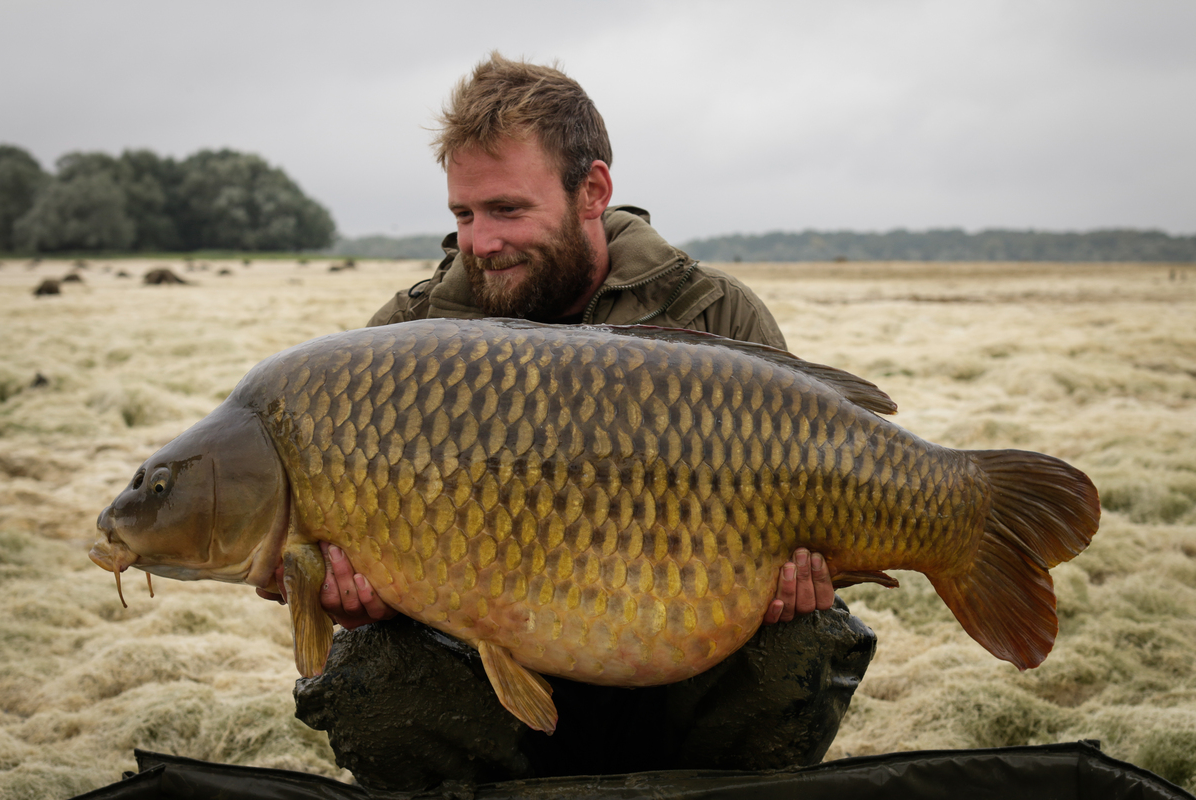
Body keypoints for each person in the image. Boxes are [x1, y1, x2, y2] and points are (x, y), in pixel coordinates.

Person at [262, 53, 873, 787]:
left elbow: (804, 503)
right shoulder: (404, 340)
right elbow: (339, 556)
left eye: (508, 210)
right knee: (366, 672)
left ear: (593, 190)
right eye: (464, 214)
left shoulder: (714, 314)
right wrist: (350, 599)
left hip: (678, 658)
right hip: (480, 676)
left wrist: (801, 583)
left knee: (805, 642)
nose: (480, 241)